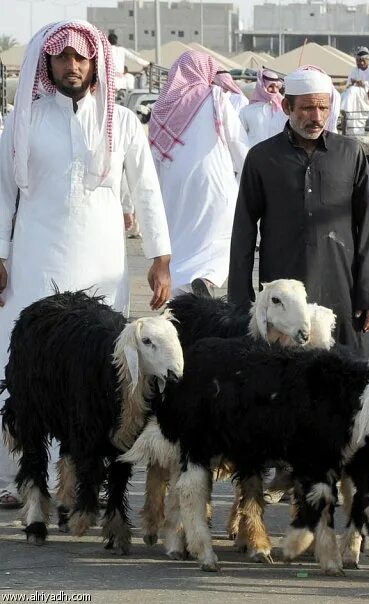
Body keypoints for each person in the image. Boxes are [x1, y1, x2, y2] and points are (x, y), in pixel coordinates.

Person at [0, 20, 172, 509]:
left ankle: (85, 478)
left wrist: (160, 257)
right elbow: (1, 192)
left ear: (95, 61)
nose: (71, 66)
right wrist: (0, 254)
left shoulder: (123, 121)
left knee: (97, 365)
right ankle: (22, 476)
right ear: (47, 63)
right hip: (35, 254)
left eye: (80, 57)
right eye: (61, 57)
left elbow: (147, 193)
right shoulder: (23, 121)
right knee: (27, 361)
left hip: (102, 259)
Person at [229, 68, 369, 353]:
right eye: (307, 108)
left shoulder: (350, 153)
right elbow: (244, 231)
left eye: (322, 107)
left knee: (346, 375)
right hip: (283, 296)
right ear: (287, 106)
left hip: (343, 289)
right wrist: (240, 301)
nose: (316, 117)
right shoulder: (262, 158)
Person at [149, 50, 248, 297]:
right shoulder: (215, 96)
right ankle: (207, 278)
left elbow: (154, 158)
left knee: (180, 245)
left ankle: (184, 295)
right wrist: (251, 177)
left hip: (174, 188)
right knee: (222, 238)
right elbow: (238, 143)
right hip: (214, 182)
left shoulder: (160, 107)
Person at [239, 69, 287, 147]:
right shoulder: (247, 111)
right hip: (254, 155)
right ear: (262, 86)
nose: (274, 90)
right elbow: (239, 138)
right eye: (270, 86)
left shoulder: (283, 109)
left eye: (277, 87)